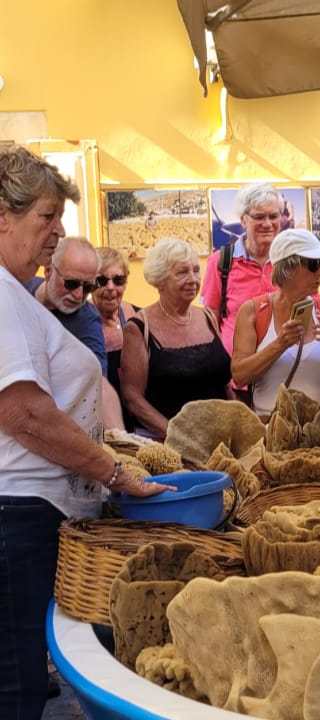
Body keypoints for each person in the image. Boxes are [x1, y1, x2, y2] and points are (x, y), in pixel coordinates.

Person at [0, 146, 170, 720]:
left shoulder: (14, 293)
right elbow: (24, 414)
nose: (57, 232)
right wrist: (115, 472)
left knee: (20, 676)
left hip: (26, 513)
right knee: (16, 686)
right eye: (46, 216)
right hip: (16, 515)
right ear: (3, 216)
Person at [232, 229, 320, 419]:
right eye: (314, 264)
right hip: (274, 430)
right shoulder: (253, 311)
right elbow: (240, 376)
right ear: (287, 269)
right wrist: (279, 344)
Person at [121, 238, 232, 439]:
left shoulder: (207, 317)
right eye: (182, 272)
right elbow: (133, 398)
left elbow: (224, 384)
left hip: (220, 440)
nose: (193, 279)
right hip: (168, 443)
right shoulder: (138, 328)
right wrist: (178, 436)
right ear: (160, 280)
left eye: (196, 270)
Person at [31, 236, 126, 429]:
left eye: (88, 287)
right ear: (48, 271)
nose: (78, 295)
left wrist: (119, 436)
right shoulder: (17, 288)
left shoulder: (86, 320)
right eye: (71, 284)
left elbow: (97, 382)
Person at [201, 183, 282, 355]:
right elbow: (211, 318)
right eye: (259, 217)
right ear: (243, 220)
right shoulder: (220, 261)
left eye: (273, 216)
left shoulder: (292, 260)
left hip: (284, 366)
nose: (268, 224)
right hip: (235, 367)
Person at [91, 246, 138, 399]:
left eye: (118, 280)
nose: (111, 287)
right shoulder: (82, 321)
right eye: (101, 281)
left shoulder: (135, 314)